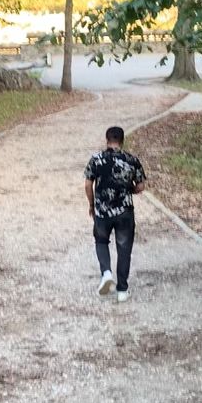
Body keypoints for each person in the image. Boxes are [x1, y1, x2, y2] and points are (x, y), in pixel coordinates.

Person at [84, 126, 147, 302]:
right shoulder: (131, 160)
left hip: (102, 211)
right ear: (122, 140)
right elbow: (141, 186)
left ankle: (106, 273)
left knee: (101, 241)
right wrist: (132, 190)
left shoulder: (96, 160)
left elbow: (88, 184)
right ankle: (122, 290)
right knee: (124, 249)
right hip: (125, 211)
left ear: (107, 140)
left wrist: (92, 204)